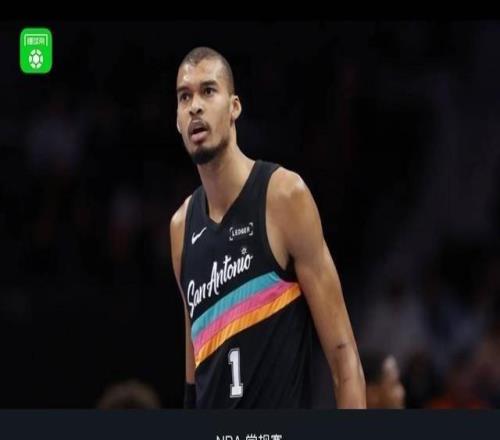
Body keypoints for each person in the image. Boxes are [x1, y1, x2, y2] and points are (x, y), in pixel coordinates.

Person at [169, 47, 366, 409]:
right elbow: (192, 384)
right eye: (185, 97)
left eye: (208, 91)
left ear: (234, 107)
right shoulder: (181, 227)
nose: (195, 106)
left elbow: (344, 358)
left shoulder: (284, 196)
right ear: (178, 122)